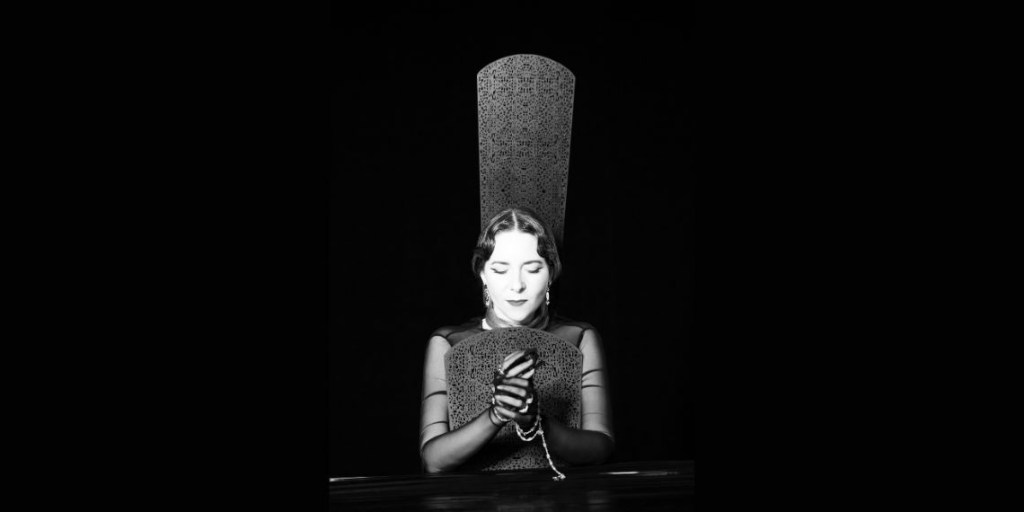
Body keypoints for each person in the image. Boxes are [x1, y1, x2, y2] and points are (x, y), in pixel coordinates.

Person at [419, 207, 614, 475]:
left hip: (563, 494)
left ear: (551, 273)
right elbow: (433, 460)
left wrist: (536, 422)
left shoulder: (579, 338)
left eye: (532, 269)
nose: (517, 285)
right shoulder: (448, 343)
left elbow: (601, 448)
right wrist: (497, 415)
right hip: (472, 496)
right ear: (483, 274)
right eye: (500, 270)